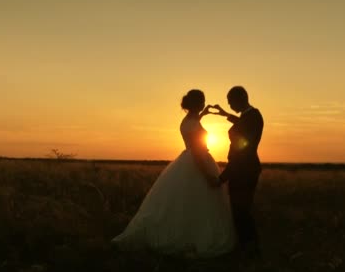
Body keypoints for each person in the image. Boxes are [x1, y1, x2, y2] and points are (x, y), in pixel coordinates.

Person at [111, 89, 236, 258]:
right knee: (198, 202)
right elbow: (198, 153)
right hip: (197, 162)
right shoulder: (192, 123)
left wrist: (203, 114)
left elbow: (194, 127)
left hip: (188, 160)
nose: (204, 103)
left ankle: (187, 235)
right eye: (202, 101)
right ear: (196, 103)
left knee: (186, 203)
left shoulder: (188, 120)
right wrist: (207, 176)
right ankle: (193, 238)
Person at [211, 86, 264, 258]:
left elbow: (243, 152)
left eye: (230, 102)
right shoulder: (248, 116)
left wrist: (223, 177)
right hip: (243, 169)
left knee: (241, 211)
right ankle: (248, 248)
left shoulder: (253, 116)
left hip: (244, 170)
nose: (230, 105)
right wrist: (224, 113)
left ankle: (251, 250)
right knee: (239, 210)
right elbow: (241, 124)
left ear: (240, 98)